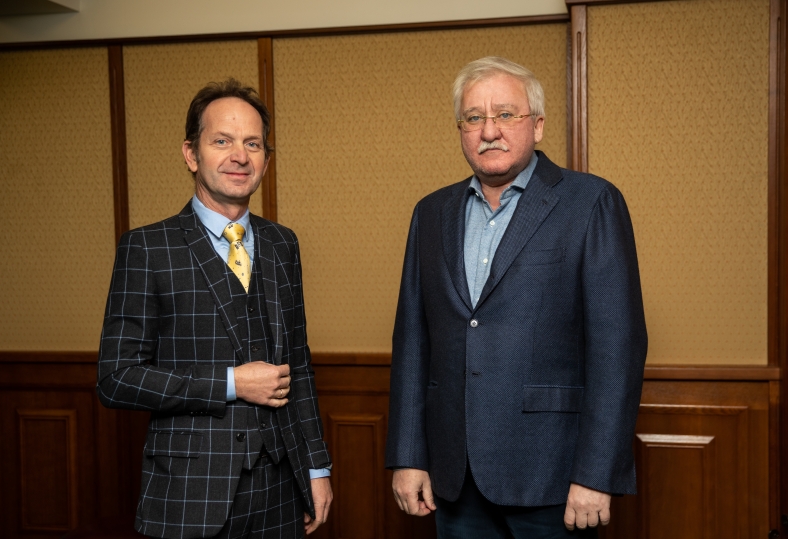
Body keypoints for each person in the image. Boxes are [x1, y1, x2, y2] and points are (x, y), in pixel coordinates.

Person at [385, 57, 647, 538]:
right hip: (454, 475)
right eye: (474, 118)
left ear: (538, 125)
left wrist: (597, 474)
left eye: (506, 114)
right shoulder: (431, 213)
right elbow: (412, 343)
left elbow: (618, 350)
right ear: (461, 130)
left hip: (554, 476)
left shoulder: (591, 202)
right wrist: (408, 456)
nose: (490, 131)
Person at [97, 79, 332, 539]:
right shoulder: (147, 248)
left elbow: (299, 366)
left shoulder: (283, 244)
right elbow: (116, 377)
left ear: (266, 160)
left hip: (281, 490)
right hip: (191, 493)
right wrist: (231, 383)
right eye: (222, 141)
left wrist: (317, 466)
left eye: (252, 144)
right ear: (191, 154)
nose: (239, 156)